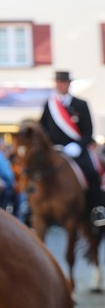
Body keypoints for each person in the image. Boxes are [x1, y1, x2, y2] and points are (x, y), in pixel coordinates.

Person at [40, 70, 105, 225]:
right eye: (58, 83)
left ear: (69, 84)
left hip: (77, 149)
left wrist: (78, 146)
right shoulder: (50, 105)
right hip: (56, 149)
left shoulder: (80, 104)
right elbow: (43, 129)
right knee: (38, 173)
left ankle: (97, 209)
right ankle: (34, 210)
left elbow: (88, 131)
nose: (60, 85)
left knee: (92, 172)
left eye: (63, 82)